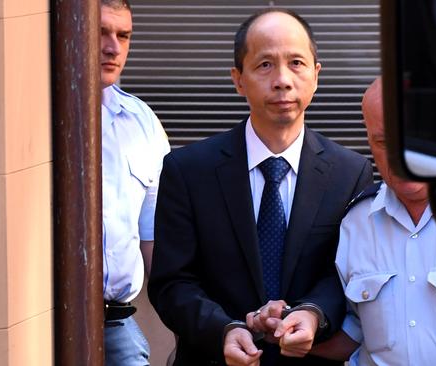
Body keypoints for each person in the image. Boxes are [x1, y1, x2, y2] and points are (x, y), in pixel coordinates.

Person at [148, 8, 373, 366]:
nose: (282, 79)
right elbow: (172, 283)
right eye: (265, 64)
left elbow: (346, 273)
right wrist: (226, 329)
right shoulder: (188, 170)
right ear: (238, 80)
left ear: (316, 76)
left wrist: (314, 313)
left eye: (296, 62)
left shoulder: (350, 172)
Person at [314, 76, 436, 365]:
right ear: (369, 141)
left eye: (412, 136)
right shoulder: (357, 223)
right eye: (383, 141)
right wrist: (289, 332)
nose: (399, 155)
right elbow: (357, 331)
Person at [100, 0, 171, 364]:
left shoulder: (141, 121)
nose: (113, 47)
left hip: (117, 322)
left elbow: (154, 238)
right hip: (43, 319)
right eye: (101, 32)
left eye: (123, 35)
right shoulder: (36, 110)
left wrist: (189, 322)